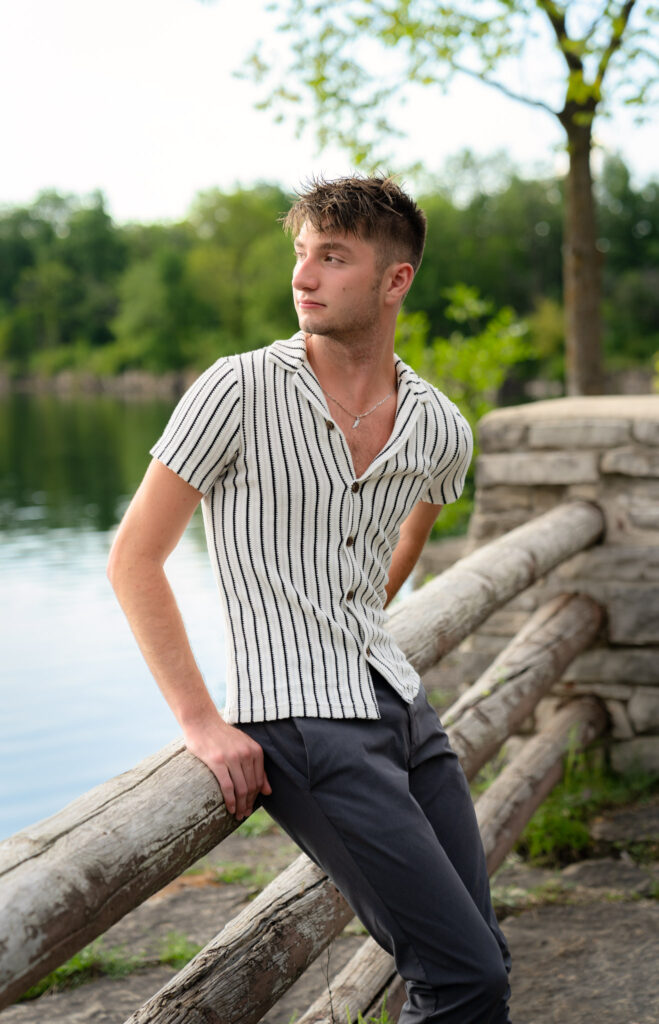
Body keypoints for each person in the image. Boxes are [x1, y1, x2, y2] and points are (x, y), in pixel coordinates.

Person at [108, 175, 512, 1023]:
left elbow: (408, 537)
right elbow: (135, 559)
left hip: (402, 706)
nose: (305, 276)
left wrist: (356, 612)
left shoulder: (440, 425)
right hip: (301, 722)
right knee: (462, 976)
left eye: (333, 257)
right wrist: (202, 723)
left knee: (478, 957)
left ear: (394, 280)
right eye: (302, 255)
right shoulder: (237, 390)